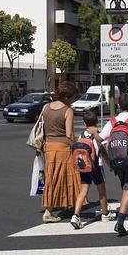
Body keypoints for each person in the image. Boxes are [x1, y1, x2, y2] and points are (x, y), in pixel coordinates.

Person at [96, 93, 128, 236]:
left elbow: (101, 138)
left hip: (116, 159)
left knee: (125, 186)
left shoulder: (112, 122)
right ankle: (120, 221)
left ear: (118, 106)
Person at [42, 81, 81, 223]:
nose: (74, 100)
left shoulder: (46, 107)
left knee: (52, 178)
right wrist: (77, 145)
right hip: (63, 149)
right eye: (73, 97)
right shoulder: (67, 110)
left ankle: (52, 208)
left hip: (48, 147)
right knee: (69, 178)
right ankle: (50, 211)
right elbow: (69, 134)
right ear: (67, 96)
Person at [70, 110, 115, 230]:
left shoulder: (81, 135)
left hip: (84, 167)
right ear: (96, 122)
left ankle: (76, 215)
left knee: (83, 191)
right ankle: (105, 214)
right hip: (96, 166)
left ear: (85, 123)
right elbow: (103, 151)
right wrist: (110, 164)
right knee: (102, 191)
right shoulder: (97, 135)